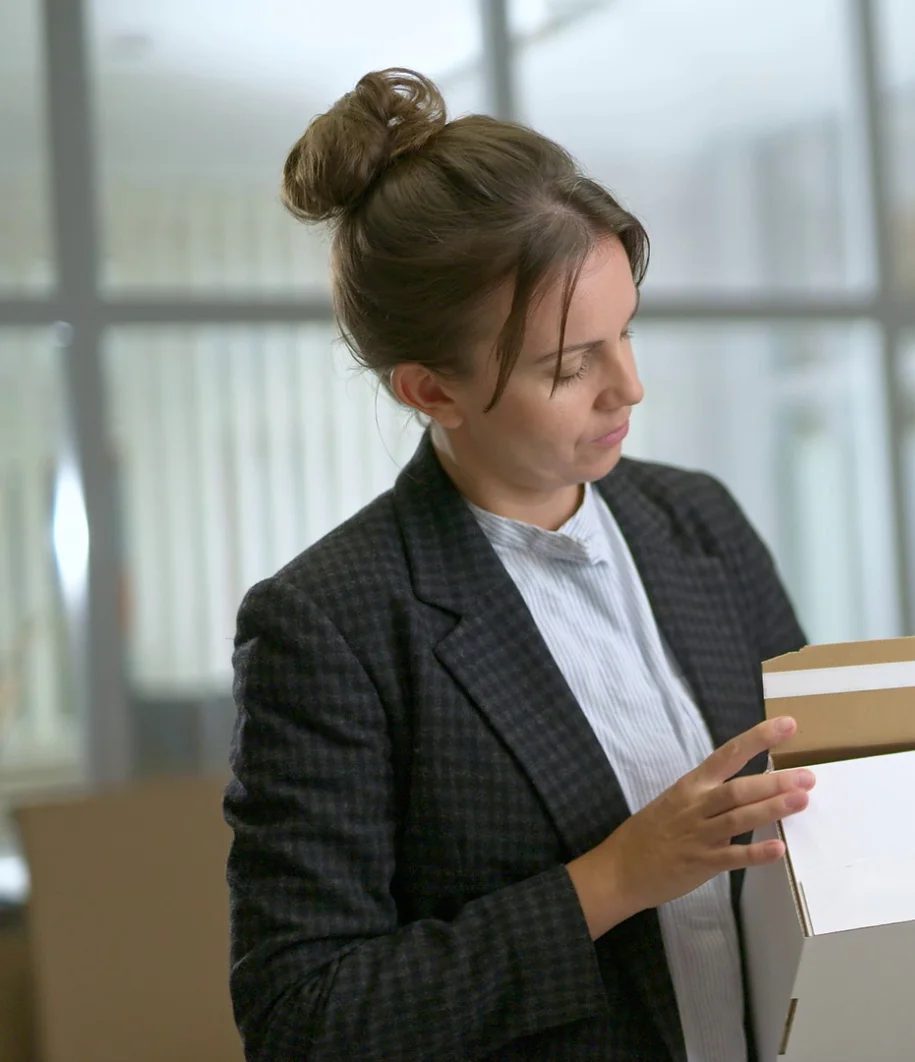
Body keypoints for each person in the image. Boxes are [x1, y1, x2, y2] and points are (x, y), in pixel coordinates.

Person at [224, 68, 815, 1061]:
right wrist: (614, 879)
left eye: (625, 330)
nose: (628, 385)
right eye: (566, 363)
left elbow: (830, 817)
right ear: (431, 391)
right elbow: (304, 1015)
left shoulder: (699, 521)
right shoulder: (331, 623)